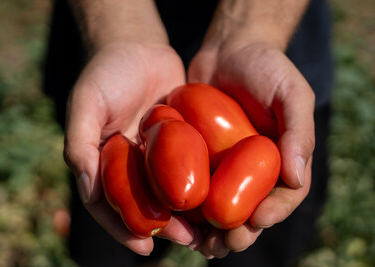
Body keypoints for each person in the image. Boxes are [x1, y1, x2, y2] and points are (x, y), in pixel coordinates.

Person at [43, 0, 333, 266]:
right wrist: (119, 28)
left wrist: (252, 29)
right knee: (109, 252)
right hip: (112, 61)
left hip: (259, 85)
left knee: (262, 255)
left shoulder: (154, 131)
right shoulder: (146, 133)